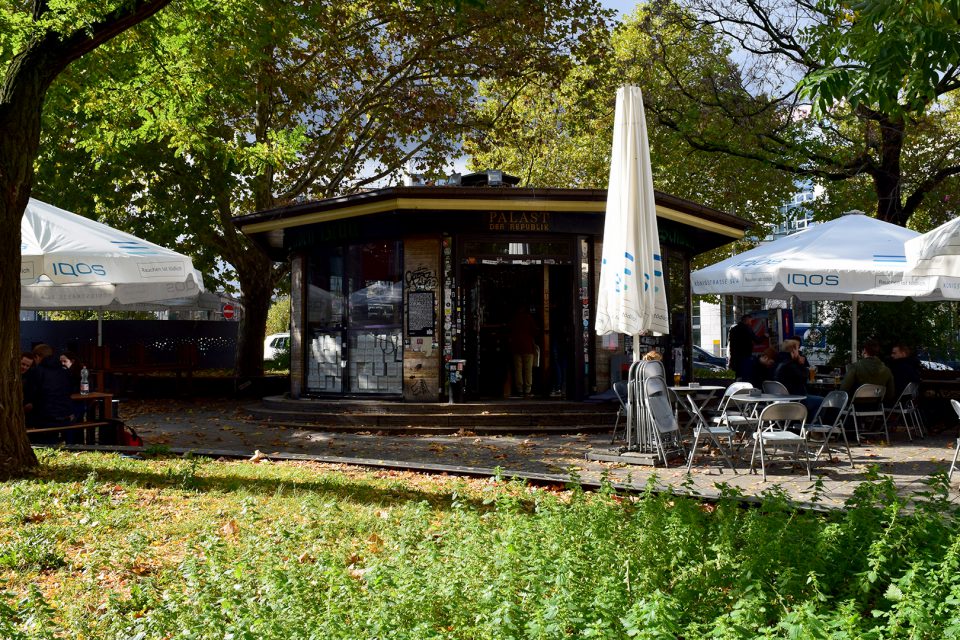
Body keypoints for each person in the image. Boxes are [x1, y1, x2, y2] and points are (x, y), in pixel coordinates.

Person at [25, 344, 77, 443]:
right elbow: (70, 390)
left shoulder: (36, 372)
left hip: (46, 419)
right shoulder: (64, 370)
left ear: (37, 357)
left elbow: (31, 395)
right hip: (66, 417)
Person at [774, 338, 823, 415]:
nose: (799, 352)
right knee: (822, 401)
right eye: (797, 349)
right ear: (793, 351)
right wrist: (801, 364)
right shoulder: (790, 365)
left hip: (780, 400)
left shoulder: (778, 363)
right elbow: (803, 378)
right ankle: (812, 424)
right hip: (795, 399)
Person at [840, 338, 896, 402]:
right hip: (876, 407)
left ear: (864, 351)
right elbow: (890, 395)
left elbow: (843, 390)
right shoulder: (887, 370)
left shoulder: (855, 367)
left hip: (855, 406)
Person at [508, 304, 538, 397]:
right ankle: (527, 389)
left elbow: (510, 330)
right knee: (528, 369)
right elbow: (534, 331)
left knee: (518, 369)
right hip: (528, 346)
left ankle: (519, 389)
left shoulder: (514, 319)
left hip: (516, 347)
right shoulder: (529, 318)